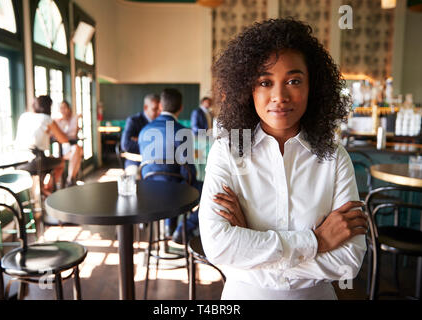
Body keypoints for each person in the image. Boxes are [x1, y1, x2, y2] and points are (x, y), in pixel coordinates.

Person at [199, 18, 368, 300]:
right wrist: (318, 241)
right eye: (265, 82)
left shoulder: (334, 158)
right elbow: (218, 247)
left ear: (312, 86)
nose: (279, 96)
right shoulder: (228, 151)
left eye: (293, 80)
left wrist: (251, 246)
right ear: (248, 89)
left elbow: (348, 262)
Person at [139, 88, 201, 243]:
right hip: (173, 194)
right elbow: (189, 174)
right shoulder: (183, 132)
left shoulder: (144, 130)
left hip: (147, 192)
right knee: (210, 192)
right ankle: (183, 229)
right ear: (181, 108)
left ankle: (169, 226)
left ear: (160, 106)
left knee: (170, 184)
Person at [15, 95, 69, 196]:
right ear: (49, 107)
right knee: (60, 163)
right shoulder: (47, 118)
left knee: (45, 164)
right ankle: (46, 190)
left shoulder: (24, 116)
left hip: (19, 161)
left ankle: (41, 191)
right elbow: (64, 139)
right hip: (35, 161)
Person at [121, 93, 160, 171]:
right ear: (145, 107)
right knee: (133, 173)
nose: (158, 113)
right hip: (135, 162)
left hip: (158, 163)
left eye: (160, 110)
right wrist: (154, 144)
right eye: (155, 109)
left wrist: (140, 140)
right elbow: (126, 145)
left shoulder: (162, 122)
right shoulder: (133, 121)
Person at [54, 100, 83, 187]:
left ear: (69, 109)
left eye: (65, 107)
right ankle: (71, 179)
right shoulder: (56, 121)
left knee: (77, 150)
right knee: (78, 152)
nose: (63, 110)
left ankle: (70, 179)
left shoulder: (73, 119)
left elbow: (73, 134)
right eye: (61, 108)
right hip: (60, 149)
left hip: (71, 146)